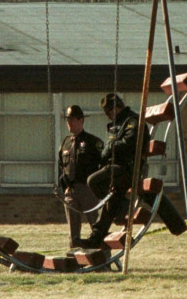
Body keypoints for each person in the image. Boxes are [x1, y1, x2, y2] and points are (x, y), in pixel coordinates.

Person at [76, 93, 145, 248]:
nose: (108, 116)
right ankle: (96, 237)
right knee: (110, 203)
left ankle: (122, 205)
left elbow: (129, 143)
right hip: (117, 168)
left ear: (115, 108)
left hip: (128, 168)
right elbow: (110, 149)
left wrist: (110, 148)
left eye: (108, 112)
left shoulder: (131, 121)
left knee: (93, 181)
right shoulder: (116, 124)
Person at [57, 105, 103, 248]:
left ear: (81, 120)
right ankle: (74, 259)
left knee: (97, 226)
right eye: (67, 120)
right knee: (73, 230)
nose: (69, 123)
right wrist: (63, 184)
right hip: (70, 191)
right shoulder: (65, 143)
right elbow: (61, 165)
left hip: (88, 190)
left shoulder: (92, 142)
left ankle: (103, 259)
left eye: (72, 120)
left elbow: (102, 165)